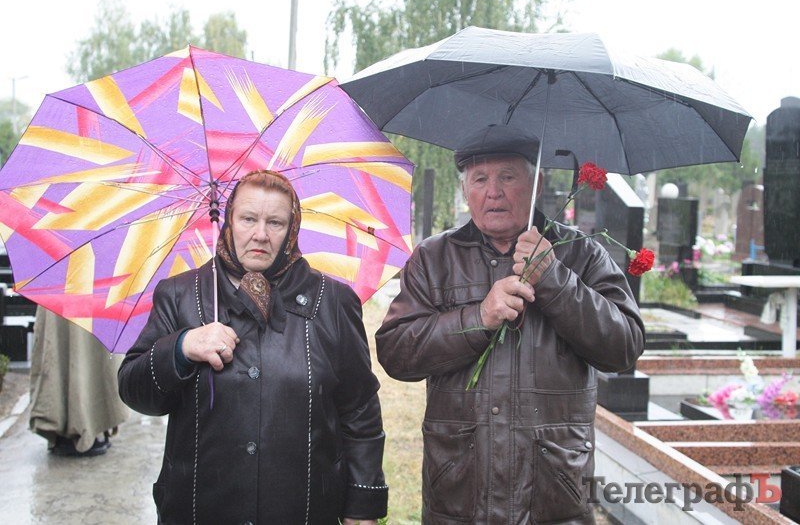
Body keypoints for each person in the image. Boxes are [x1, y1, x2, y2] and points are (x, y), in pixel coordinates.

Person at [376, 124, 645, 523]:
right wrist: (478, 317)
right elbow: (397, 353)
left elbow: (624, 346)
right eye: (480, 179)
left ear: (535, 183)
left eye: (507, 177)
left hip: (554, 494)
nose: (493, 191)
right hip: (459, 494)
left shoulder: (581, 254)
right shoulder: (434, 258)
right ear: (466, 190)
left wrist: (555, 279)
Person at [118, 170, 387, 524]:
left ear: (292, 228)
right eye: (248, 219)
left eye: (275, 222)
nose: (260, 234)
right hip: (201, 510)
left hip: (304, 510)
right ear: (228, 221)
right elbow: (136, 391)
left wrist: (361, 506)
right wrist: (181, 347)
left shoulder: (331, 302)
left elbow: (360, 411)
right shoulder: (181, 295)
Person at [29, 307, 128, 456]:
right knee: (85, 351)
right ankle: (85, 422)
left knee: (69, 349)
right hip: (85, 296)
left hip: (70, 296)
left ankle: (72, 423)